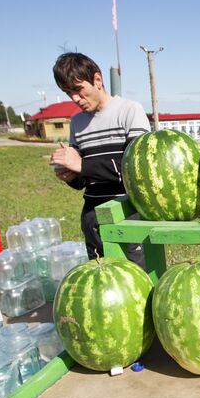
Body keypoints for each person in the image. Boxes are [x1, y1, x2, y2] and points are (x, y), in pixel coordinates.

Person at [49, 52, 150, 267]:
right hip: (93, 216)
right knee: (103, 284)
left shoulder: (130, 111)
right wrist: (69, 175)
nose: (75, 99)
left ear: (97, 80)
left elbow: (137, 170)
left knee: (137, 280)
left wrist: (81, 165)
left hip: (128, 213)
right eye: (69, 93)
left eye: (78, 90)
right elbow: (83, 180)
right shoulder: (77, 123)